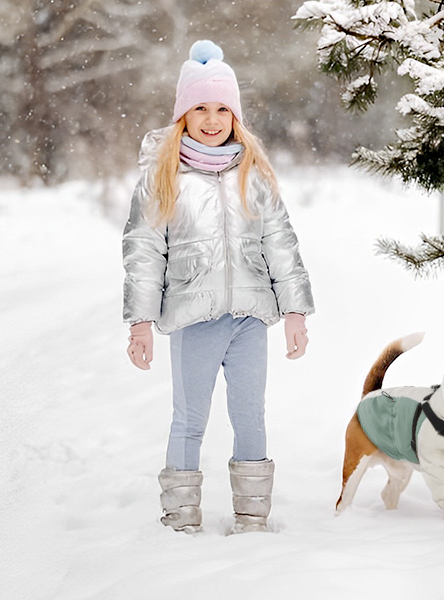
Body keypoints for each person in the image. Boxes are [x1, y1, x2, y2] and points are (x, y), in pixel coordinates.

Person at [122, 40, 314, 534]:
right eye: (200, 108)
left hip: (250, 319)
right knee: (190, 419)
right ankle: (180, 519)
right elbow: (144, 252)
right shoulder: (163, 177)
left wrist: (295, 311)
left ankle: (253, 520)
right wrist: (140, 322)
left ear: (236, 115)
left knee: (251, 415)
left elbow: (281, 243)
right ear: (183, 115)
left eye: (222, 108)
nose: (212, 119)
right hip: (194, 319)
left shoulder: (254, 173)